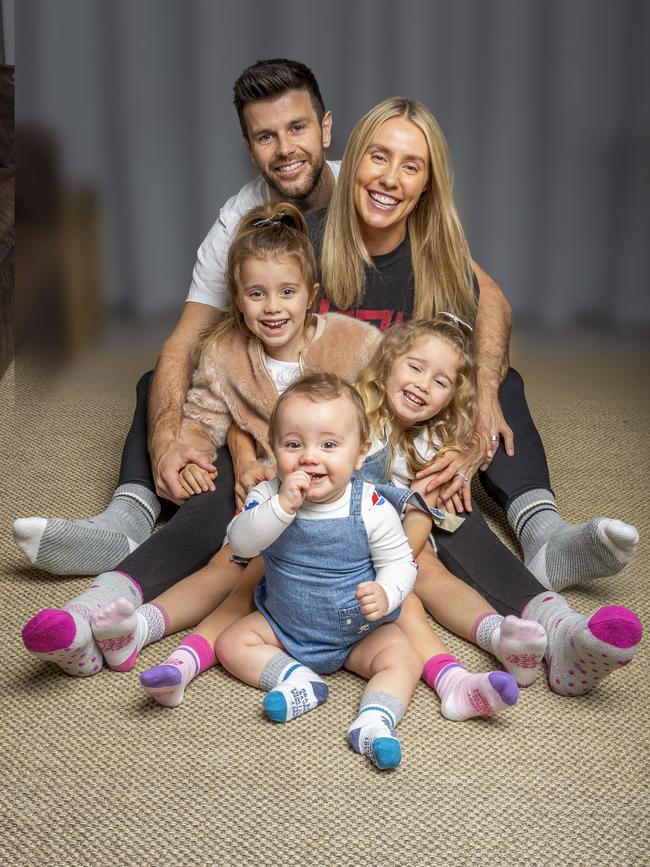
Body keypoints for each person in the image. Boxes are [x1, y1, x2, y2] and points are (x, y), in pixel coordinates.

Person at [91, 320, 640, 706]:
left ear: (453, 397)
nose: (423, 385)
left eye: (441, 381)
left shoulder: (430, 446)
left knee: (423, 582)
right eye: (415, 367)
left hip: (381, 537)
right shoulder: (348, 407)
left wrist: (396, 553)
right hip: (302, 527)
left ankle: (505, 640)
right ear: (386, 365)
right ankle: (143, 631)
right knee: (235, 569)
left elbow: (419, 516)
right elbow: (277, 427)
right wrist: (245, 454)